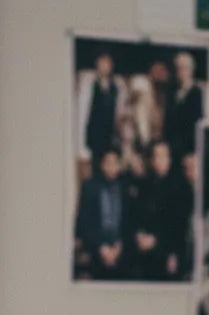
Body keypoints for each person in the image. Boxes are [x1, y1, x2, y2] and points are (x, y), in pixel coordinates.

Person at [131, 140, 186, 281]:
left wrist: (156, 241)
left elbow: (179, 227)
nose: (160, 160)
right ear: (151, 160)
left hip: (167, 251)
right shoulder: (144, 185)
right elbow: (135, 216)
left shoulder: (179, 187)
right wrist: (139, 234)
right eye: (156, 156)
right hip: (143, 251)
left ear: (169, 159)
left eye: (163, 156)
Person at [74, 147, 129, 280]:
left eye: (115, 163)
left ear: (119, 165)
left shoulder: (126, 188)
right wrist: (101, 247)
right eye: (108, 163)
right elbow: (83, 223)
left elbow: (130, 221)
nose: (111, 167)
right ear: (102, 165)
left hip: (121, 250)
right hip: (96, 249)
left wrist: (119, 246)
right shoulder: (90, 187)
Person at [79, 49, 125, 163]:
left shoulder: (117, 84)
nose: (105, 66)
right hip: (93, 137)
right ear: (97, 64)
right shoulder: (89, 82)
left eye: (107, 63)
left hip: (110, 138)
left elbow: (120, 111)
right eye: (102, 62)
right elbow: (82, 113)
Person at [165, 51, 204, 160]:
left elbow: (197, 123)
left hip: (190, 151)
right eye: (178, 68)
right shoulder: (172, 93)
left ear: (191, 70)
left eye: (184, 68)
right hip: (173, 149)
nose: (180, 72)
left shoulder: (198, 93)